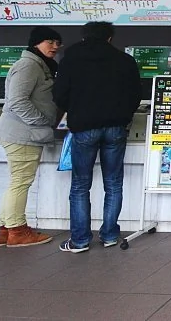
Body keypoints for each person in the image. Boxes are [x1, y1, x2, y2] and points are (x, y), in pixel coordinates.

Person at [52, 22, 141, 253]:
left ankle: (80, 240)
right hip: (115, 128)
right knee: (113, 184)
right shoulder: (124, 60)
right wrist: (123, 116)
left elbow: (59, 94)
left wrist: (76, 108)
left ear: (84, 37)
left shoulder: (71, 58)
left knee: (81, 185)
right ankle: (110, 235)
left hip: (83, 127)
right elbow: (135, 95)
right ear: (110, 38)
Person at [0, 27, 63, 247]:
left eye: (57, 43)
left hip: (22, 132)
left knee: (17, 182)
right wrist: (42, 120)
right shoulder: (28, 65)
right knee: (21, 182)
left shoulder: (37, 65)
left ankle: (6, 229)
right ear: (36, 43)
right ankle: (17, 231)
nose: (55, 47)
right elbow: (17, 101)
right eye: (49, 42)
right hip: (22, 133)